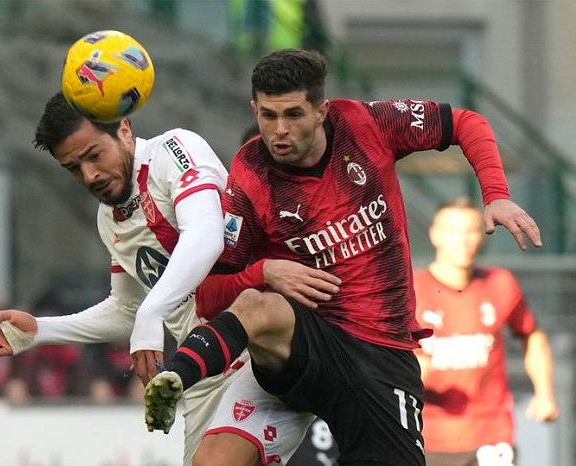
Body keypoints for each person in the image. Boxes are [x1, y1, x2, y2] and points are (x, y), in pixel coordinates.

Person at [143, 48, 543, 466]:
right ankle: (175, 378)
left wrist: (496, 195)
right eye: (268, 116)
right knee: (255, 312)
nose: (280, 130)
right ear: (254, 110)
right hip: (304, 344)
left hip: (380, 350)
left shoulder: (368, 125)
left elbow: (465, 122)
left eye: (293, 114)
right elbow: (209, 296)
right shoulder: (250, 175)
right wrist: (265, 271)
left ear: (322, 111)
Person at [0, 91, 319, 465]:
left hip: (258, 347)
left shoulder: (173, 151)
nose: (89, 175)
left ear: (124, 130)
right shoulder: (109, 220)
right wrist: (40, 331)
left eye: (94, 155)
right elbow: (127, 309)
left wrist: (150, 314)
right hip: (203, 375)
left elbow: (206, 233)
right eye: (73, 168)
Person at [413, 197, 559, 466]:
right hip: (428, 436)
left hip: (491, 435)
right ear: (435, 235)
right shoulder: (411, 290)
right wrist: (410, 370)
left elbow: (532, 334)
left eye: (471, 231)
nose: (463, 240)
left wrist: (544, 393)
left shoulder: (499, 283)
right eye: (454, 231)